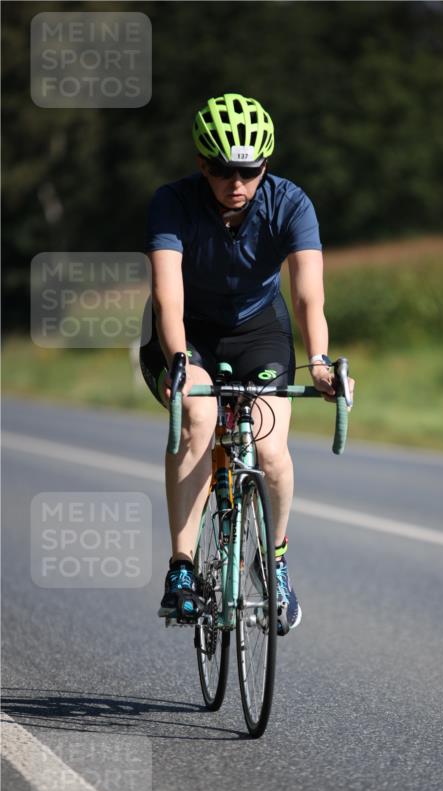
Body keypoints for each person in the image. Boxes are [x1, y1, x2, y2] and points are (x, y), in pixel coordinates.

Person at [140, 92, 346, 634]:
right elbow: (168, 297)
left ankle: (274, 563)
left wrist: (320, 363)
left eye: (250, 171)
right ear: (202, 165)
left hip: (259, 330)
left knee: (272, 451)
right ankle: (182, 566)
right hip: (186, 332)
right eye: (225, 171)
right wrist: (180, 361)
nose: (238, 183)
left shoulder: (291, 204)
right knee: (200, 419)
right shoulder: (172, 202)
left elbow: (308, 299)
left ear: (265, 167)